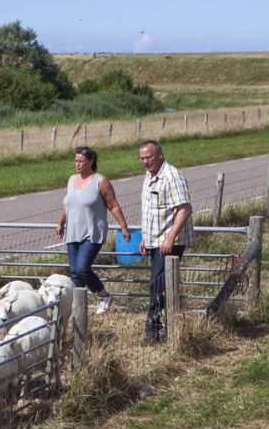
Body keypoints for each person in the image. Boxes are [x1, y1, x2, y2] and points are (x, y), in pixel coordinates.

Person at [55, 147, 131, 315]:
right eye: (76, 161)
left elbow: (113, 205)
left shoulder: (100, 181)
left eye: (81, 161)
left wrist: (124, 227)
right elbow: (68, 204)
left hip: (92, 232)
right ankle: (77, 308)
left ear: (91, 161)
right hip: (73, 232)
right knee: (75, 272)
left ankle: (104, 296)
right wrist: (61, 223)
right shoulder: (71, 180)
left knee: (82, 268)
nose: (77, 164)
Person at [137, 139, 194, 345]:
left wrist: (170, 238)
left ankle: (153, 331)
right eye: (142, 158)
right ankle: (170, 328)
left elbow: (184, 209)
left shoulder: (172, 176)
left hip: (169, 241)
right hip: (155, 240)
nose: (145, 162)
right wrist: (146, 237)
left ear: (159, 154)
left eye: (149, 157)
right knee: (162, 285)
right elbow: (152, 211)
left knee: (157, 285)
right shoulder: (149, 176)